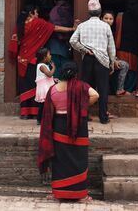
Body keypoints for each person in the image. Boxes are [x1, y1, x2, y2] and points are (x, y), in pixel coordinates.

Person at [37, 61, 99, 202]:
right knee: (79, 159)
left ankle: (58, 193)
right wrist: (80, 107)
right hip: (78, 127)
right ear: (76, 73)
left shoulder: (53, 89)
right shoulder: (82, 86)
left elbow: (50, 112)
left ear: (62, 73)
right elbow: (95, 95)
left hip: (59, 126)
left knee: (60, 160)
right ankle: (81, 195)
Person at [8, 5, 75, 119]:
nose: (38, 15)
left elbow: (16, 42)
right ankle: (34, 113)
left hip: (21, 59)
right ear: (31, 13)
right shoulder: (37, 23)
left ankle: (25, 113)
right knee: (36, 85)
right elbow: (54, 28)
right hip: (32, 59)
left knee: (24, 86)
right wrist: (72, 29)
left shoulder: (20, 25)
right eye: (36, 12)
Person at [70, 0, 116, 124]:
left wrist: (84, 49)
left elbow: (72, 41)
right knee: (103, 89)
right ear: (100, 13)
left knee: (85, 88)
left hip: (88, 59)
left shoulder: (82, 26)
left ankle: (84, 115)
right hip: (102, 60)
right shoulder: (106, 26)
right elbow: (111, 47)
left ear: (89, 12)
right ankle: (103, 117)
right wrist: (112, 62)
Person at [114, 0, 138, 92]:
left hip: (121, 46)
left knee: (120, 69)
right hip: (133, 47)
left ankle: (118, 88)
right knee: (132, 70)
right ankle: (128, 89)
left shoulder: (120, 16)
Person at [101, 10, 130, 96]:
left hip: (109, 59)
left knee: (124, 65)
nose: (108, 20)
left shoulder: (110, 31)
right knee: (124, 65)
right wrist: (113, 60)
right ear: (101, 19)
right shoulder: (101, 31)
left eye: (111, 19)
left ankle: (119, 89)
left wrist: (114, 59)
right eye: (106, 18)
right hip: (101, 59)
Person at [46, 0, 74, 80]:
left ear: (55, 1)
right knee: (65, 68)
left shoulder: (54, 11)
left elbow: (52, 26)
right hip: (66, 44)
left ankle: (55, 89)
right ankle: (64, 88)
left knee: (55, 68)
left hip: (54, 45)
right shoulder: (70, 10)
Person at [35, 48, 56, 125]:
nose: (50, 56)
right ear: (44, 57)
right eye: (49, 54)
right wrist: (54, 67)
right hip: (44, 88)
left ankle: (42, 119)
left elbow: (47, 77)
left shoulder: (43, 65)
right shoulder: (42, 66)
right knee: (43, 105)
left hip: (45, 87)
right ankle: (39, 119)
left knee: (44, 105)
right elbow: (49, 74)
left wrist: (54, 79)